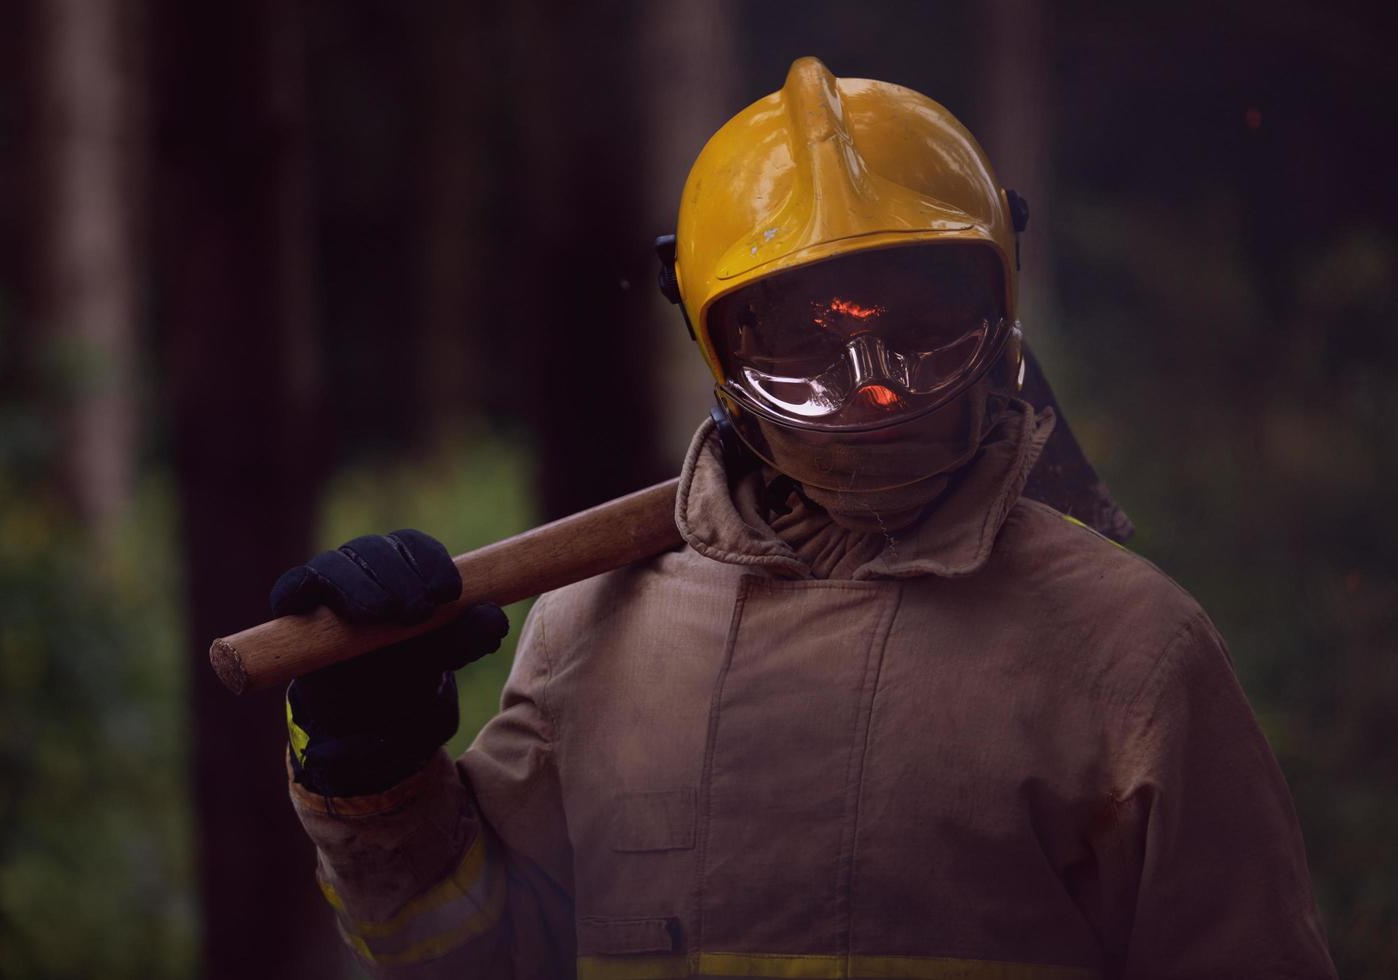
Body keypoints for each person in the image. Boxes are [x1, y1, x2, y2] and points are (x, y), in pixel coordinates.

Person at [272, 58, 1337, 979]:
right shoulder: (592, 630)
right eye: (803, 344)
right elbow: (484, 960)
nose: (873, 391)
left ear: (999, 306)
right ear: (714, 348)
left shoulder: (1133, 656)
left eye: (919, 326)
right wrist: (378, 780)